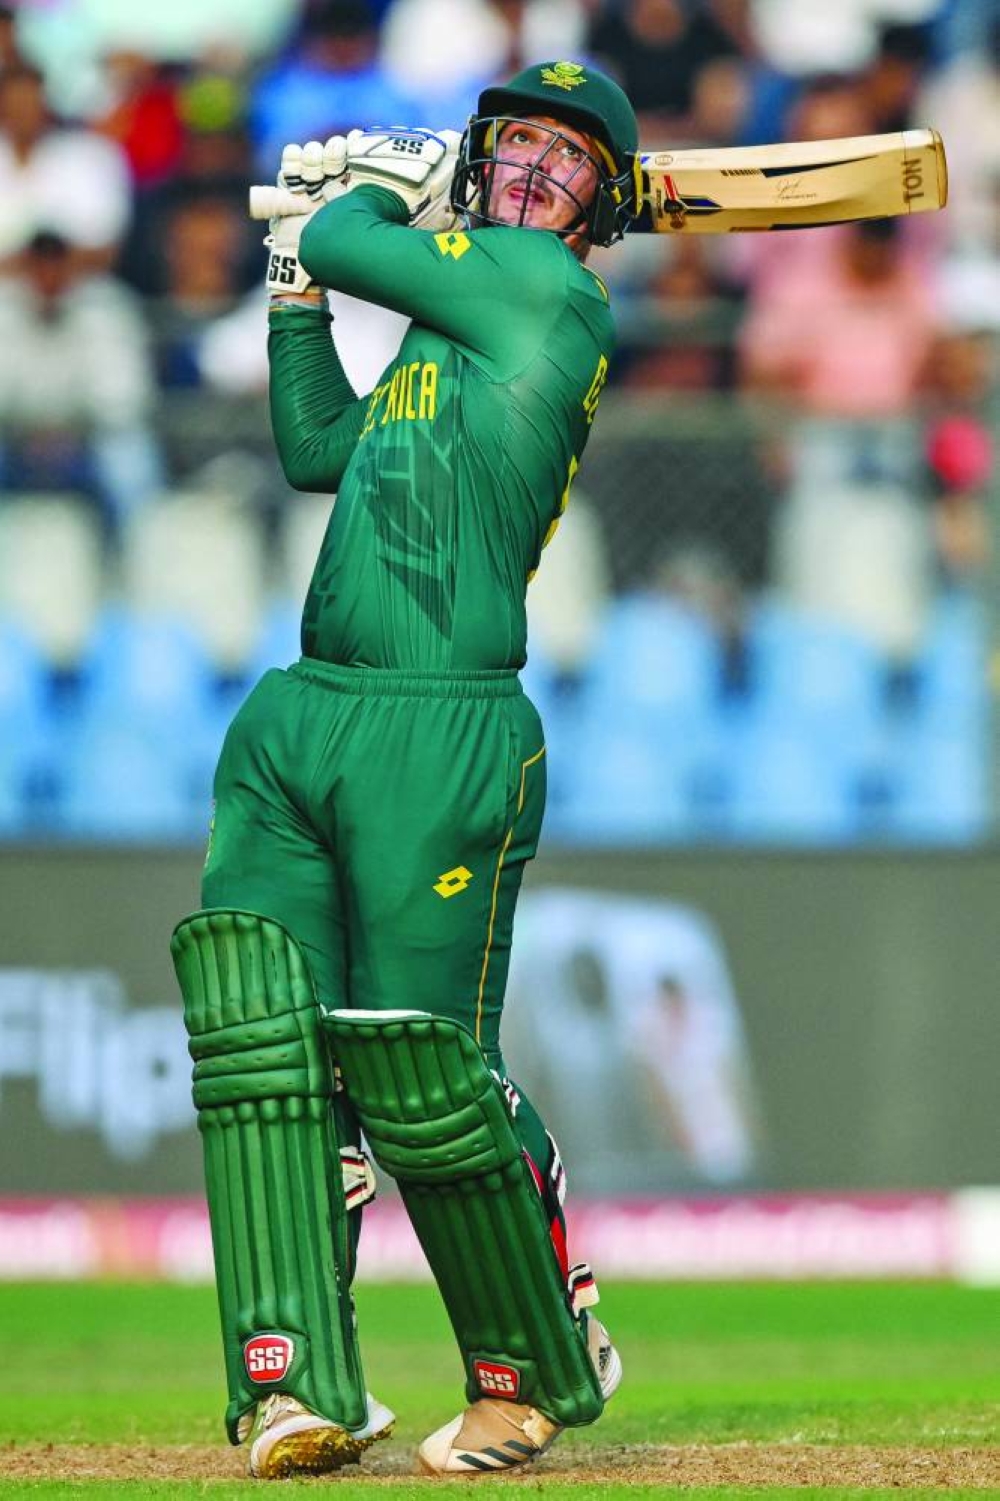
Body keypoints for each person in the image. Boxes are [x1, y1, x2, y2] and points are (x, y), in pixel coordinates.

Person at [171, 59, 641, 1480]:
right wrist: (294, 288)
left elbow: (345, 231)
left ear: (598, 207)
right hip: (307, 707)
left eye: (570, 157)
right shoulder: (450, 335)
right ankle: (294, 1383)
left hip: (443, 726)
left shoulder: (549, 298)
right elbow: (319, 442)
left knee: (426, 1075)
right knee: (264, 1046)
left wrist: (347, 204)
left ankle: (536, 1360)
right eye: (518, 142)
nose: (533, 165)